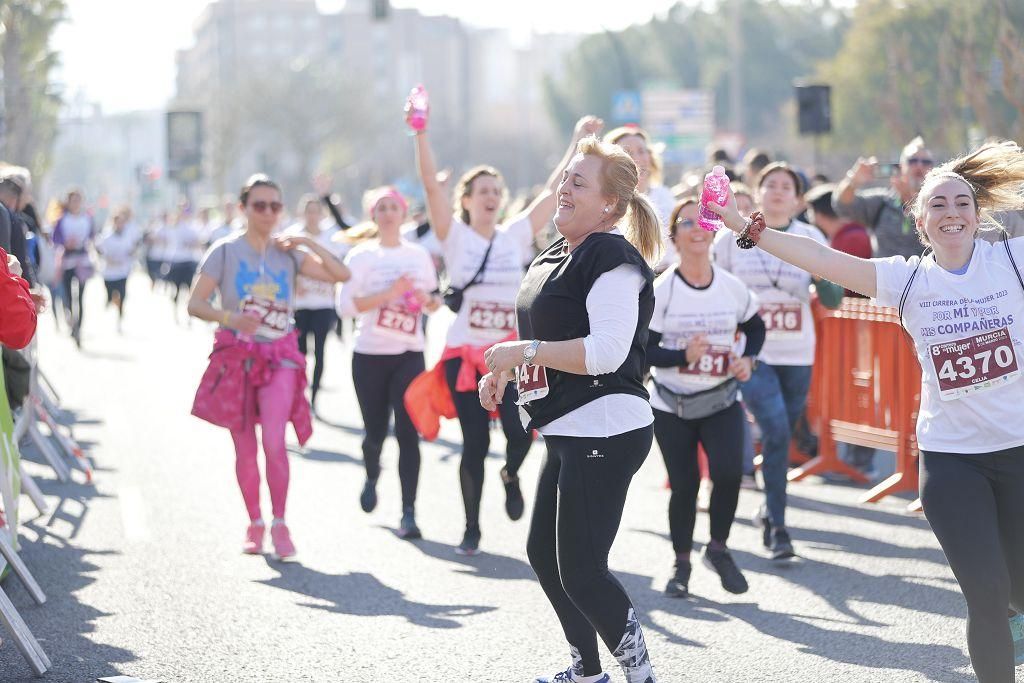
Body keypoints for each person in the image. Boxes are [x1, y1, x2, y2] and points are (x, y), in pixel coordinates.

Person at [706, 140, 1024, 683]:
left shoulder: (1012, 259)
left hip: (1018, 451)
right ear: (921, 222)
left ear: (978, 216)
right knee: (987, 597)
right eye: (939, 206)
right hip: (952, 462)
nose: (952, 214)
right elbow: (823, 260)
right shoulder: (908, 279)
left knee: (1018, 588)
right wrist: (744, 223)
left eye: (962, 204)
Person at [479, 136, 662, 683]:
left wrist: (522, 353)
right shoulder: (557, 252)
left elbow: (605, 352)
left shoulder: (612, 255)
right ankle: (587, 669)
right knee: (546, 556)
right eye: (566, 178)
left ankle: (641, 675)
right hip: (569, 427)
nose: (565, 187)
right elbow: (545, 337)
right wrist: (504, 372)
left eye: (578, 182)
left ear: (609, 204)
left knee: (582, 571)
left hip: (605, 423)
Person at [410, 98, 600, 555]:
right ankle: (472, 526)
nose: (492, 197)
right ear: (467, 201)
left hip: (516, 357)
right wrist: (420, 132)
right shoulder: (453, 238)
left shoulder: (514, 234)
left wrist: (577, 143)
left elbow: (554, 190)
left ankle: (511, 473)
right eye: (483, 191)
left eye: (497, 190)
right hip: (466, 355)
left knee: (521, 434)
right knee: (474, 442)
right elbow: (431, 191)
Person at [187, 174, 350, 561]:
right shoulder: (224, 252)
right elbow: (195, 304)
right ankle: (254, 522)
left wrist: (307, 241)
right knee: (245, 449)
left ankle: (280, 523)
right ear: (243, 208)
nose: (268, 213)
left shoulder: (288, 253)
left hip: (280, 357)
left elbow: (341, 275)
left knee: (275, 443)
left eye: (275, 206)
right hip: (237, 359)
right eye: (259, 205)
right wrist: (230, 317)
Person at [712, 162, 843, 561]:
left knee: (780, 434)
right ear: (757, 189)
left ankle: (770, 507)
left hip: (798, 352)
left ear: (799, 198)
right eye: (770, 184)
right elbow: (714, 293)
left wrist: (823, 278)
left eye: (788, 185)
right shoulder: (730, 239)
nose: (779, 191)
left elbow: (835, 300)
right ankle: (780, 529)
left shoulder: (810, 236)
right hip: (753, 353)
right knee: (773, 428)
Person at [648, 197, 765, 598]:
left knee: (730, 473)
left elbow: (756, 327)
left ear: (715, 231)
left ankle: (718, 548)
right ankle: (681, 563)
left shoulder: (731, 287)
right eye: (686, 223)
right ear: (674, 236)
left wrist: (748, 359)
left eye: (705, 222)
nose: (698, 229)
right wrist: (684, 356)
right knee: (685, 485)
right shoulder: (662, 290)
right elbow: (643, 349)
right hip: (671, 404)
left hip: (720, 400)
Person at [337, 187, 440, 539]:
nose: (388, 213)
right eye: (381, 207)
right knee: (375, 432)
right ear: (373, 215)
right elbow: (345, 307)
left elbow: (433, 300)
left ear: (404, 212)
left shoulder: (418, 255)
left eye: (393, 206)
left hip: (409, 354)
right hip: (369, 355)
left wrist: (428, 300)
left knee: (409, 435)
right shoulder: (361, 257)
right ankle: (371, 473)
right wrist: (389, 294)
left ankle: (408, 512)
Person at [283, 194, 348, 410]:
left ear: (322, 214)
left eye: (316, 211)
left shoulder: (332, 237)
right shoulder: (292, 235)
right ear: (302, 213)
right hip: (300, 306)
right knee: (300, 353)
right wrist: (293, 284)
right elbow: (283, 266)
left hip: (324, 304)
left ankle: (314, 397)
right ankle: (299, 393)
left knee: (320, 351)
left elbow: (339, 268)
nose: (312, 216)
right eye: (308, 211)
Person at [833, 136, 934, 259]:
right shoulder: (883, 202)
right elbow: (842, 206)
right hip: (885, 277)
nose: (919, 166)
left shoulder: (939, 203)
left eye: (925, 162)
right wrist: (853, 180)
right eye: (913, 161)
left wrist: (913, 199)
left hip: (925, 277)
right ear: (901, 167)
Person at [603, 126, 676, 271]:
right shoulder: (604, 201)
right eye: (627, 152)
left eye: (642, 151)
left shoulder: (665, 196)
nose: (636, 159)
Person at [52, 189, 96, 347]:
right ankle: (71, 320)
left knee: (81, 297)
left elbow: (92, 237)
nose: (76, 203)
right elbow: (55, 238)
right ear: (69, 202)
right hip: (67, 261)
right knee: (69, 296)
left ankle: (79, 329)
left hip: (82, 260)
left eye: (79, 200)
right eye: (73, 200)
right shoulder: (62, 219)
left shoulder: (87, 219)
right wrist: (65, 243)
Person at [96, 208, 139, 332]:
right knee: (110, 294)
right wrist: (107, 258)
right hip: (109, 273)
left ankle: (120, 317)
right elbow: (98, 249)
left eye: (122, 222)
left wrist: (129, 256)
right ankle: (111, 300)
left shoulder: (127, 236)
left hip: (122, 271)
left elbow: (132, 250)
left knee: (123, 294)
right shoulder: (106, 236)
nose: (120, 225)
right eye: (118, 222)